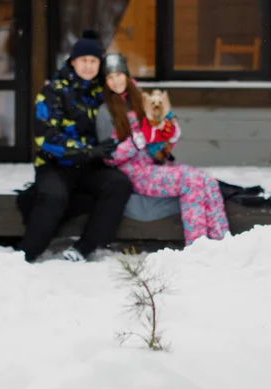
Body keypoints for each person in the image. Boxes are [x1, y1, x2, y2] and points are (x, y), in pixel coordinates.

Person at [18, 30, 133, 262]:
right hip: (55, 164)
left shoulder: (103, 93)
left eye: (93, 61)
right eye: (83, 61)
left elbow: (128, 103)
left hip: (89, 167)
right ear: (73, 62)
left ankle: (85, 247)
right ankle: (27, 253)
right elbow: (47, 139)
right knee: (54, 197)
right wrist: (89, 151)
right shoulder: (53, 92)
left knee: (119, 184)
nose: (88, 66)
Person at [96, 52, 229, 245]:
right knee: (190, 182)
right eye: (110, 77)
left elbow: (157, 142)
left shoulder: (142, 101)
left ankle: (221, 241)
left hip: (157, 164)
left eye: (118, 75)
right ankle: (198, 246)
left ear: (126, 74)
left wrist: (170, 136)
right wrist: (134, 143)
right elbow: (109, 157)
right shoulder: (105, 111)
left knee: (208, 182)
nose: (115, 81)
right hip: (135, 173)